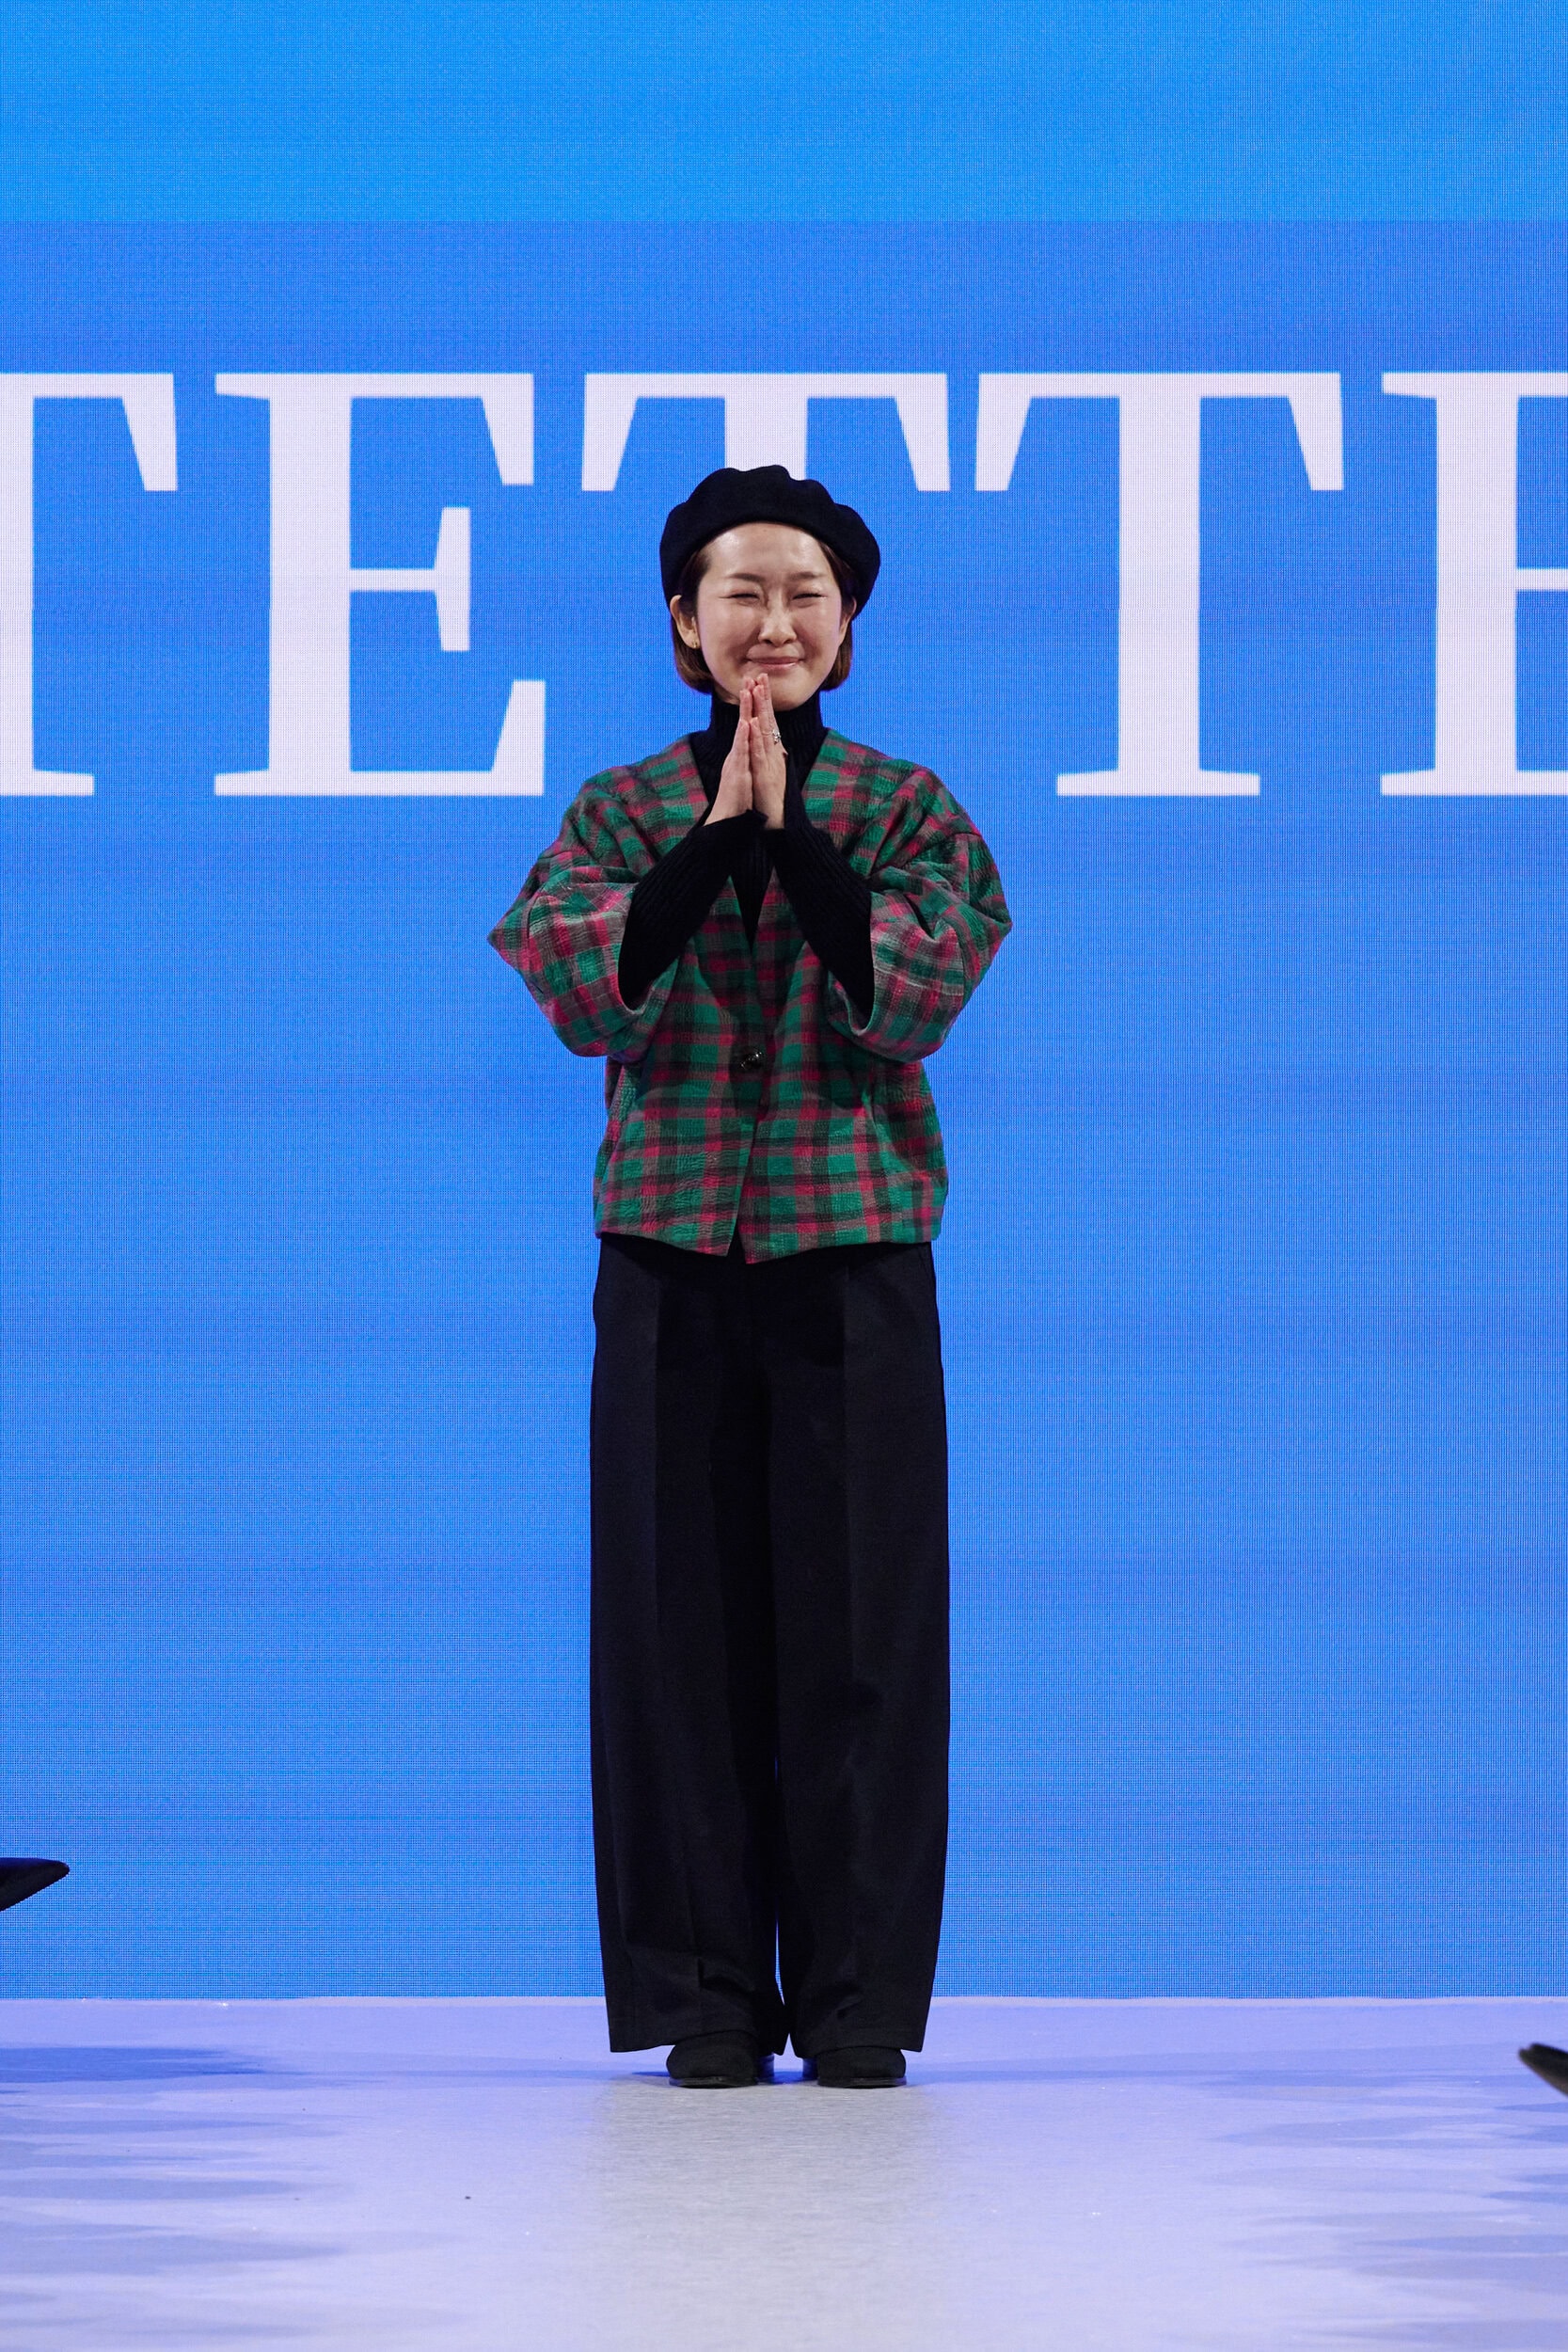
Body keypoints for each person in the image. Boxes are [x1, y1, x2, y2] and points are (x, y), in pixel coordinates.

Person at [489, 466, 1009, 2089]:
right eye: (742, 592)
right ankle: (705, 1994)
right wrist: (717, 841)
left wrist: (794, 840)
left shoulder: (907, 810)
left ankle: (856, 2001)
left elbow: (917, 992)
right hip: (668, 1258)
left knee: (863, 1638)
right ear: (684, 622)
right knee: (673, 1633)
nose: (774, 622)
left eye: (806, 595)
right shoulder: (621, 809)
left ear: (846, 628)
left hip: (855, 1259)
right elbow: (581, 990)